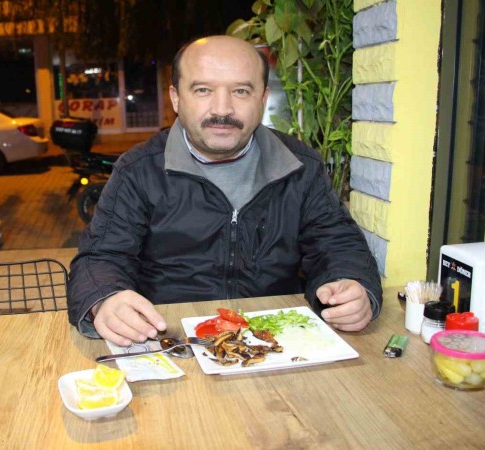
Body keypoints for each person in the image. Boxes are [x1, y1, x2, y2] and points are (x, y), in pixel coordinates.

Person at [67, 35, 382, 346]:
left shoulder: (300, 166)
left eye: (241, 91)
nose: (222, 108)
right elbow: (101, 256)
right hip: (170, 340)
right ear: (176, 98)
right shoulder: (139, 170)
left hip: (275, 341)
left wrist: (352, 286)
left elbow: (337, 244)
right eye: (203, 90)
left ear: (262, 99)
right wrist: (106, 299)